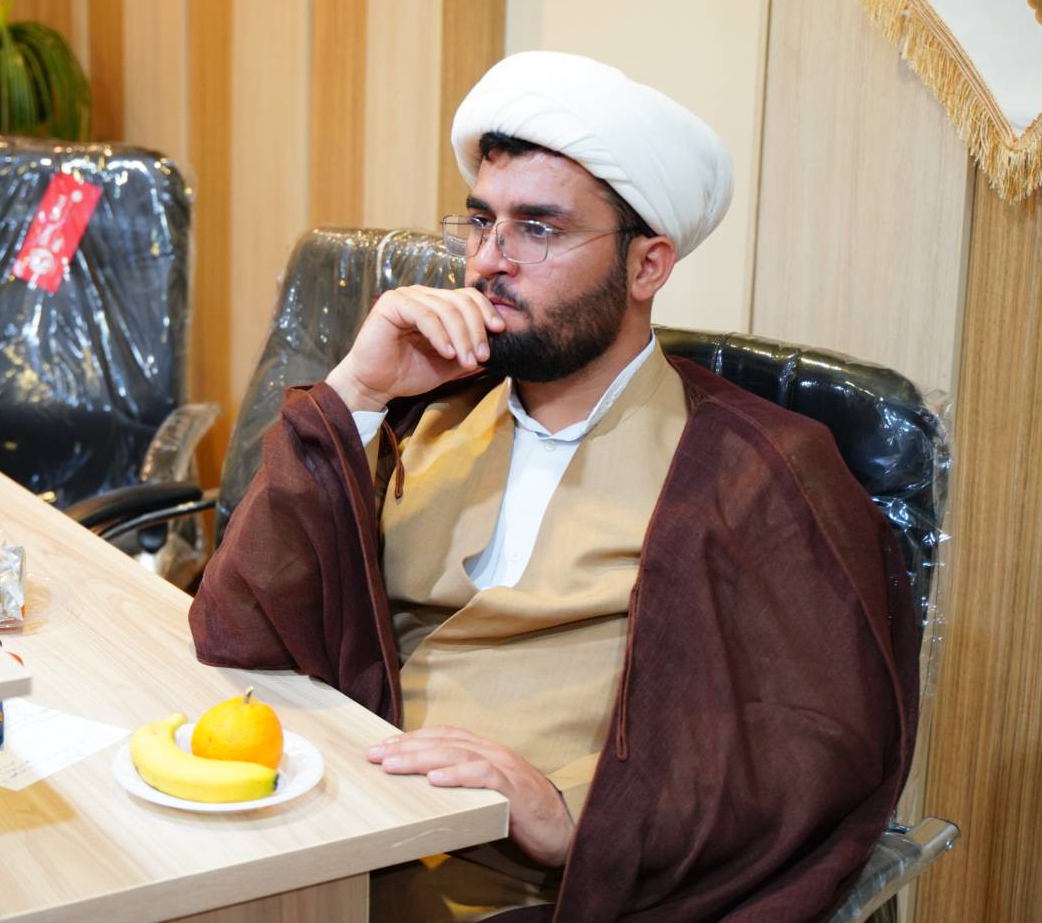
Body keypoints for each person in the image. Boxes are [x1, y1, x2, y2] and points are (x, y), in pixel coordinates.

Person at [188, 52, 918, 920]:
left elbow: (816, 750)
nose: (488, 263)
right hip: (331, 816)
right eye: (480, 223)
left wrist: (570, 814)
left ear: (648, 266)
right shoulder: (423, 415)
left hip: (532, 887)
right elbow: (239, 628)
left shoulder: (753, 469)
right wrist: (356, 392)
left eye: (538, 229)